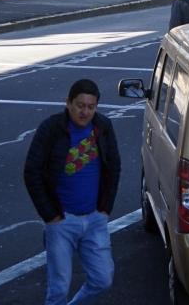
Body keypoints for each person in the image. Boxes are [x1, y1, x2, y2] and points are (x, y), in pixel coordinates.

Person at [23, 79, 121, 305]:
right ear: (68, 103)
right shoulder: (52, 129)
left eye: (91, 107)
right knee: (58, 289)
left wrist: (105, 208)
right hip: (61, 222)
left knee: (102, 279)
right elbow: (32, 172)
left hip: (95, 220)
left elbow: (114, 167)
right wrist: (51, 215)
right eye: (80, 105)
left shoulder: (103, 127)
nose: (85, 111)